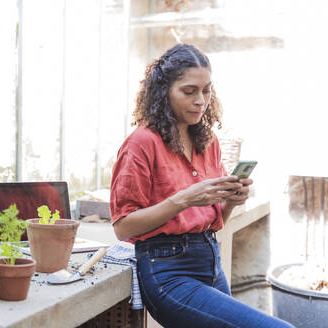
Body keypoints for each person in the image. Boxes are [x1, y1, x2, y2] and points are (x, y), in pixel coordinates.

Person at [110, 44, 294, 328]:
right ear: (164, 92)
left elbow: (213, 223)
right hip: (167, 273)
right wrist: (182, 200)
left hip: (209, 261)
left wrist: (231, 200)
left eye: (206, 90)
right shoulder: (141, 143)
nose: (200, 100)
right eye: (189, 91)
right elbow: (123, 227)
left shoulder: (208, 142)